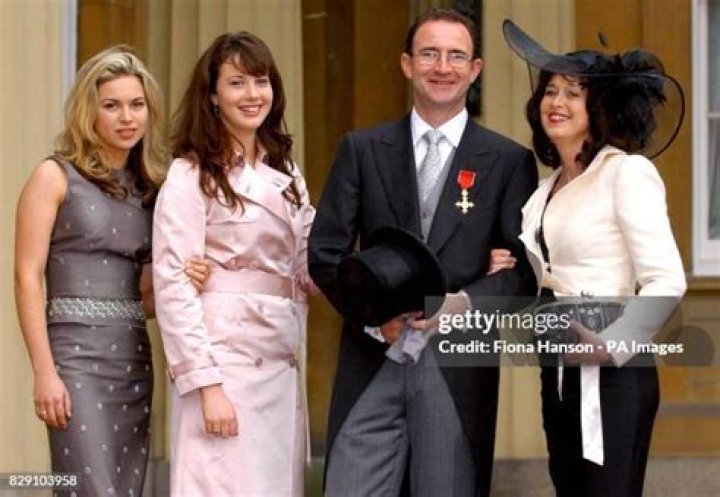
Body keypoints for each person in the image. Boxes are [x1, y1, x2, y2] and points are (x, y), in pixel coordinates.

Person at [308, 8, 538, 497]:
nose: (442, 67)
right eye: (429, 54)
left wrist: (463, 303)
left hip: (455, 367)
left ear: (475, 69)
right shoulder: (362, 149)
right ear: (407, 64)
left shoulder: (508, 161)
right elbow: (325, 254)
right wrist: (376, 318)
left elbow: (523, 275)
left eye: (456, 56)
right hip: (373, 356)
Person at [490, 20, 687, 497]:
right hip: (558, 368)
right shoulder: (543, 191)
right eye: (550, 91)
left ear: (598, 107)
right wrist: (507, 265)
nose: (556, 102)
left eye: (572, 93)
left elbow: (667, 279)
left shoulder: (626, 173)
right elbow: (548, 271)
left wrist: (612, 344)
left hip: (613, 372)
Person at [14, 46, 209, 496]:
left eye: (137, 105)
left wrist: (182, 277)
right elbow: (26, 277)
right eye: (112, 105)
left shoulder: (152, 189)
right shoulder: (54, 175)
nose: (127, 117)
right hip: (74, 362)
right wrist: (44, 372)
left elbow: (142, 297)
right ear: (89, 111)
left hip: (132, 363)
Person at [152, 31, 317, 497]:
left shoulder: (287, 173)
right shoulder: (189, 175)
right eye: (237, 83)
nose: (252, 94)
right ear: (212, 95)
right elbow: (174, 287)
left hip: (280, 361)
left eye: (260, 81)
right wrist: (206, 385)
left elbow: (312, 262)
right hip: (223, 365)